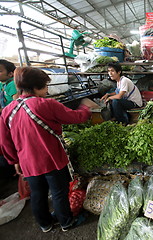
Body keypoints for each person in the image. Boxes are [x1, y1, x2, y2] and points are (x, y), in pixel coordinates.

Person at [0, 67, 97, 233]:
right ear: (36, 88)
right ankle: (66, 222)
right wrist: (85, 108)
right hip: (52, 159)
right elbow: (75, 117)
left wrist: (14, 161)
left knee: (37, 194)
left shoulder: (7, 111)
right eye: (45, 87)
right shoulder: (46, 104)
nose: (46, 91)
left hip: (28, 163)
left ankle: (45, 224)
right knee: (59, 192)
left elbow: (4, 141)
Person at [0, 59, 18, 177]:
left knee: (13, 143)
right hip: (4, 117)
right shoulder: (2, 84)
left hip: (12, 118)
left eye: (0, 71)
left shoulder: (12, 84)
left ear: (11, 74)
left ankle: (16, 166)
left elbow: (16, 104)